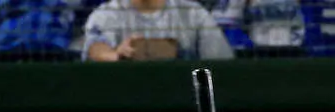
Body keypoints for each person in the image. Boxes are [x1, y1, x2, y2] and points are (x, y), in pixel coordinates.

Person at [82, 0, 233, 61]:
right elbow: (96, 49)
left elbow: (221, 66)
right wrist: (117, 55)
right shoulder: (106, 14)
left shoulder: (194, 14)